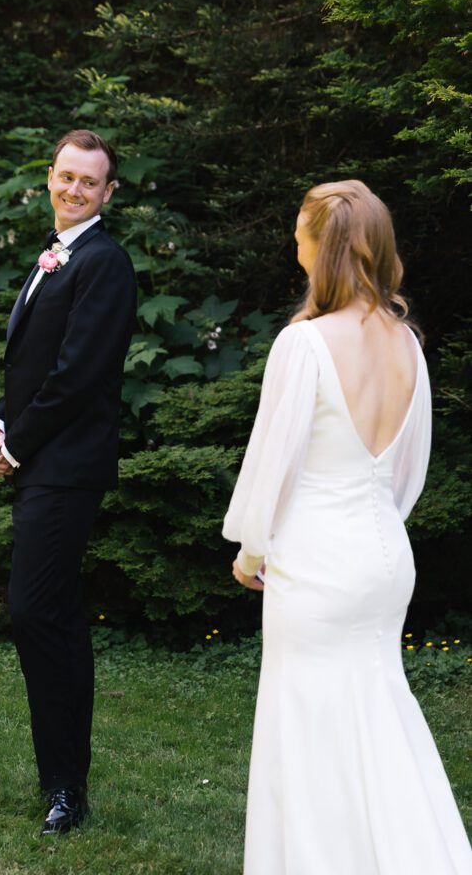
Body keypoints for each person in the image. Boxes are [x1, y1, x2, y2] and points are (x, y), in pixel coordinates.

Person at [223, 180, 472, 874]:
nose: (293, 246)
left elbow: (274, 463)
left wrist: (251, 553)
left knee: (306, 736)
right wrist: (374, 528)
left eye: (300, 235)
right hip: (382, 554)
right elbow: (406, 472)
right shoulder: (407, 345)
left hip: (316, 563)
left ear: (322, 249)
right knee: (377, 717)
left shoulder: (303, 344)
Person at [0, 129, 136, 834]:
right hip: (42, 460)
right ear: (49, 176)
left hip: (67, 467)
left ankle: (66, 786)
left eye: (89, 181)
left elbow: (77, 376)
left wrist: (17, 445)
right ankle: (64, 781)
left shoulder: (104, 263)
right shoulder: (55, 255)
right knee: (54, 615)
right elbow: (30, 363)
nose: (74, 189)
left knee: (35, 611)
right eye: (66, 176)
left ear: (108, 192)